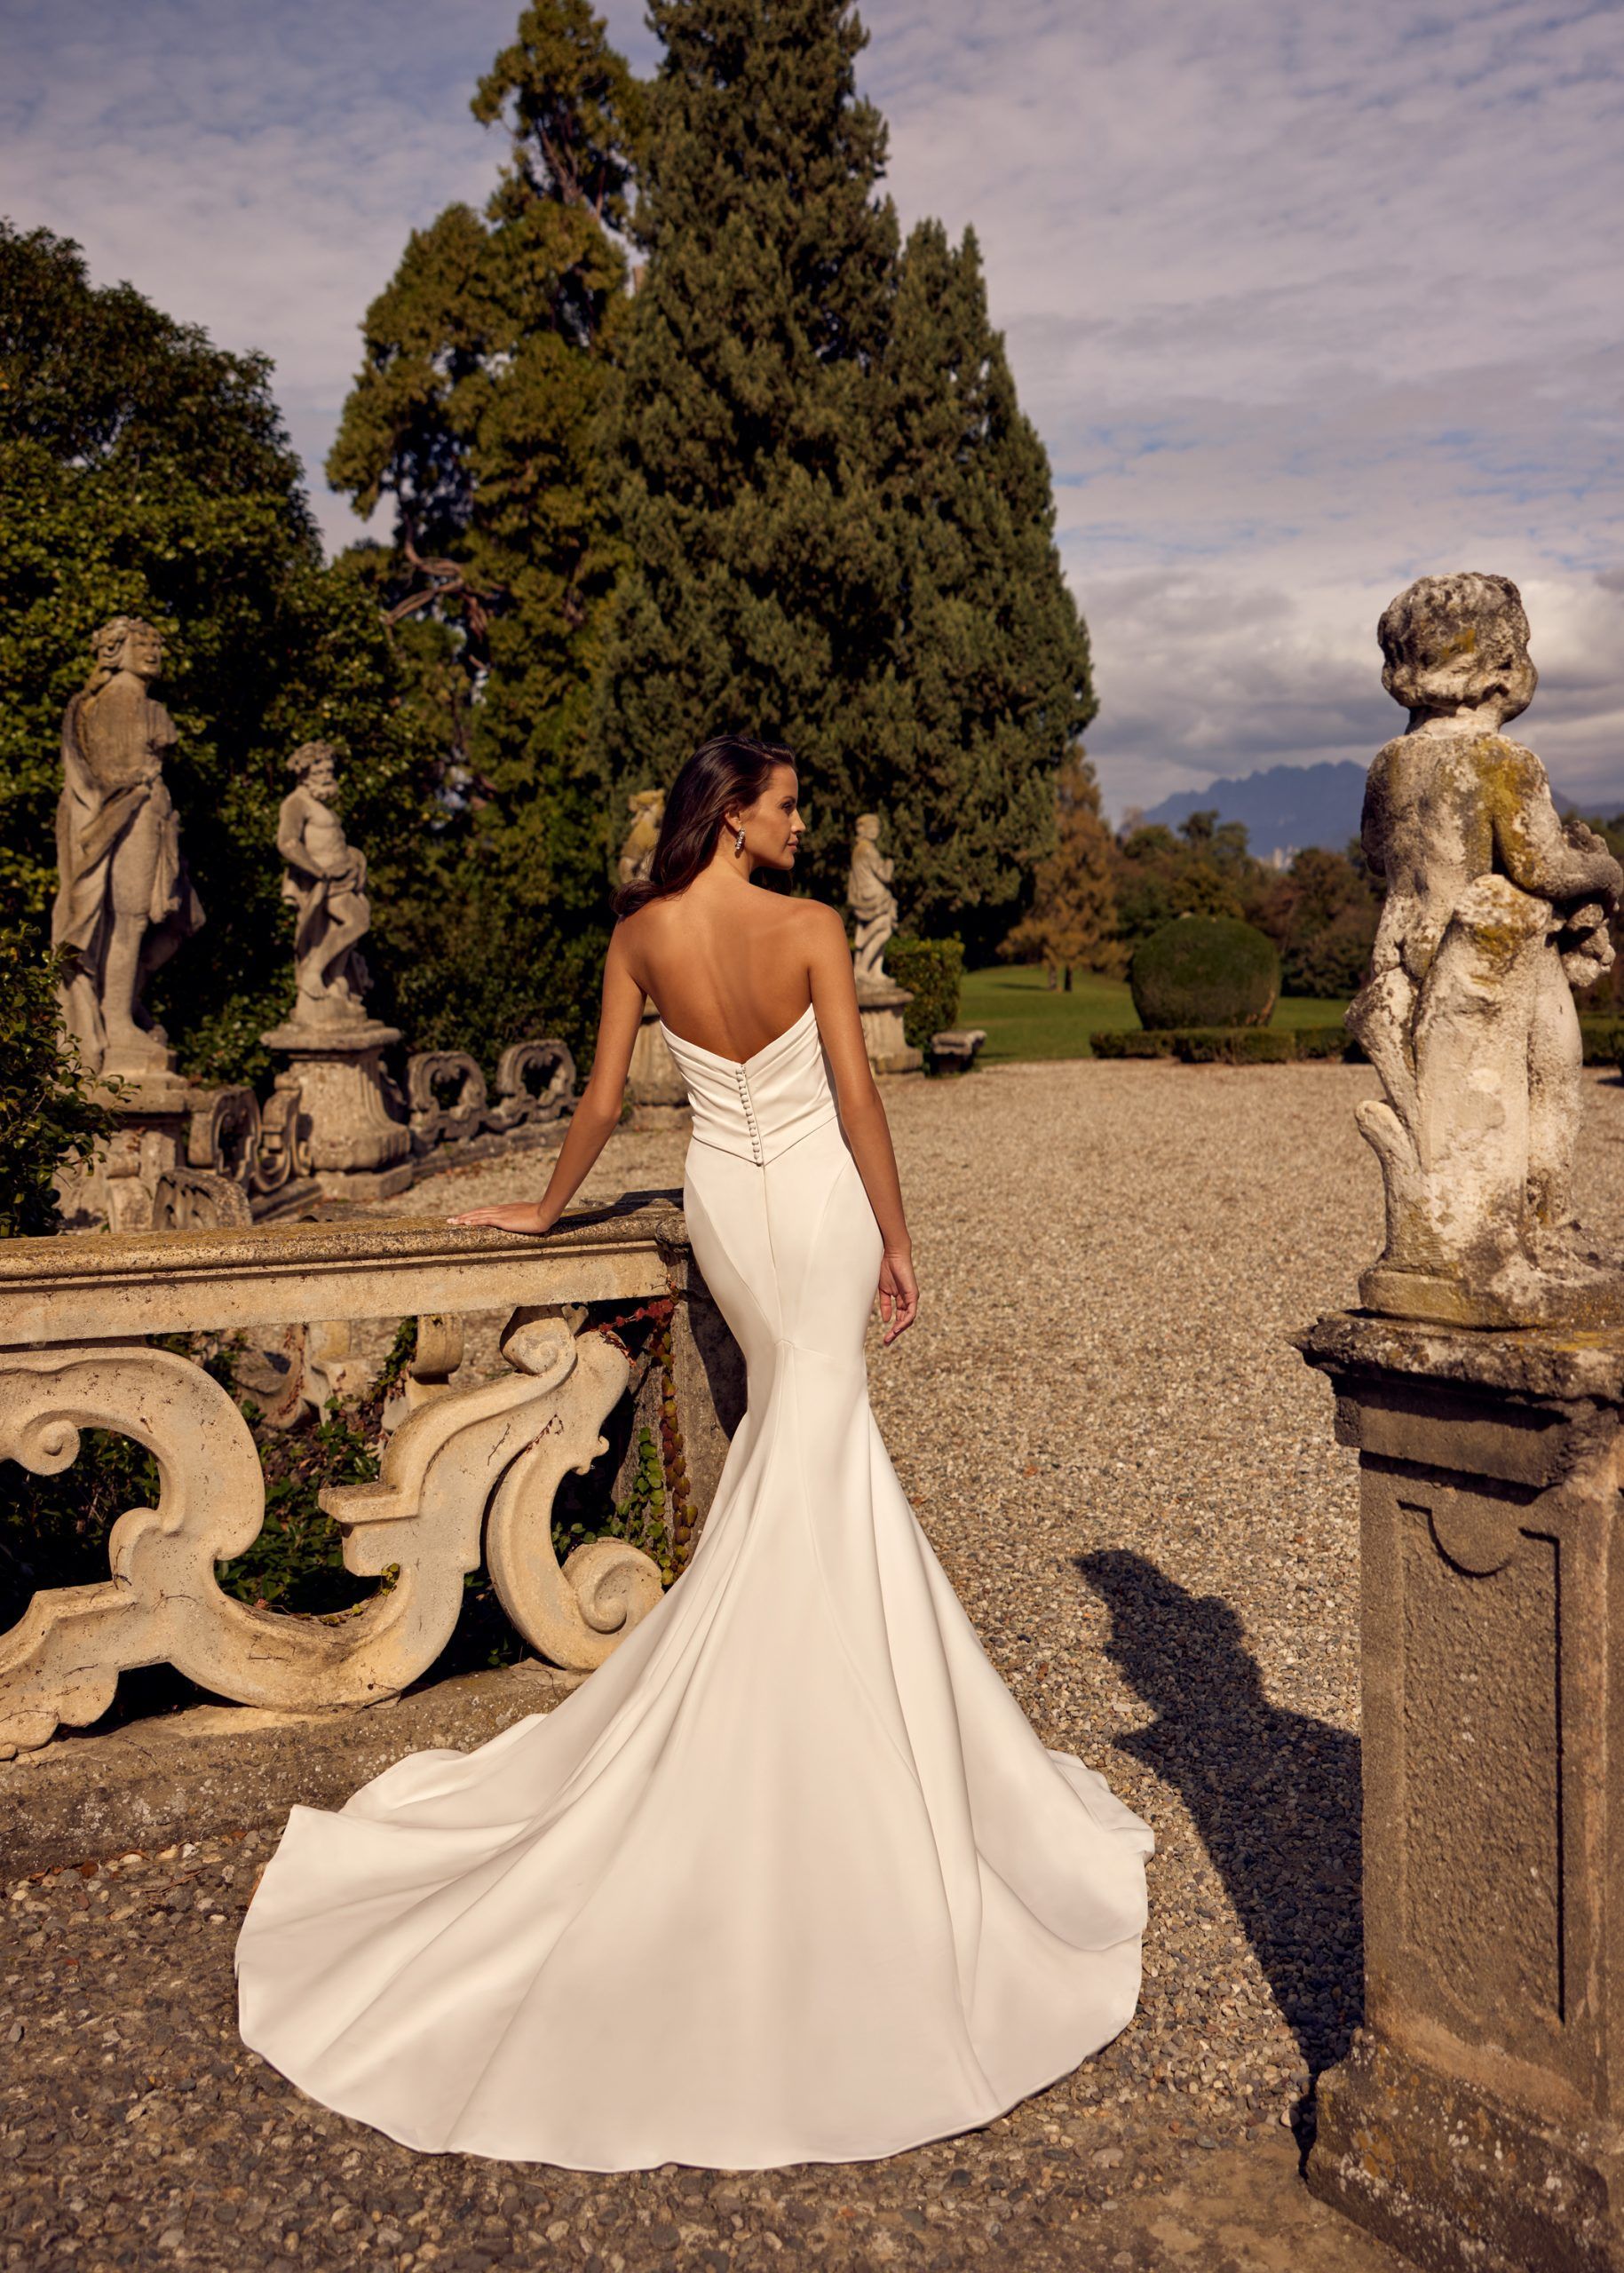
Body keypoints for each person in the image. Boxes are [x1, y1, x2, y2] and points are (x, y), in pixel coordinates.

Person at [234, 731, 1153, 2172]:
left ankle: (819, 1717)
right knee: (819, 1444)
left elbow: (604, 1100)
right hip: (819, 1207)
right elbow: (855, 1097)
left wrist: (545, 1210)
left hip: (727, 1205)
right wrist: (898, 1238)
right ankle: (827, 1752)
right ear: (732, 815)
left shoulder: (642, 934)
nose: (802, 824)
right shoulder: (809, 928)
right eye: (786, 805)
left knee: (807, 1447)